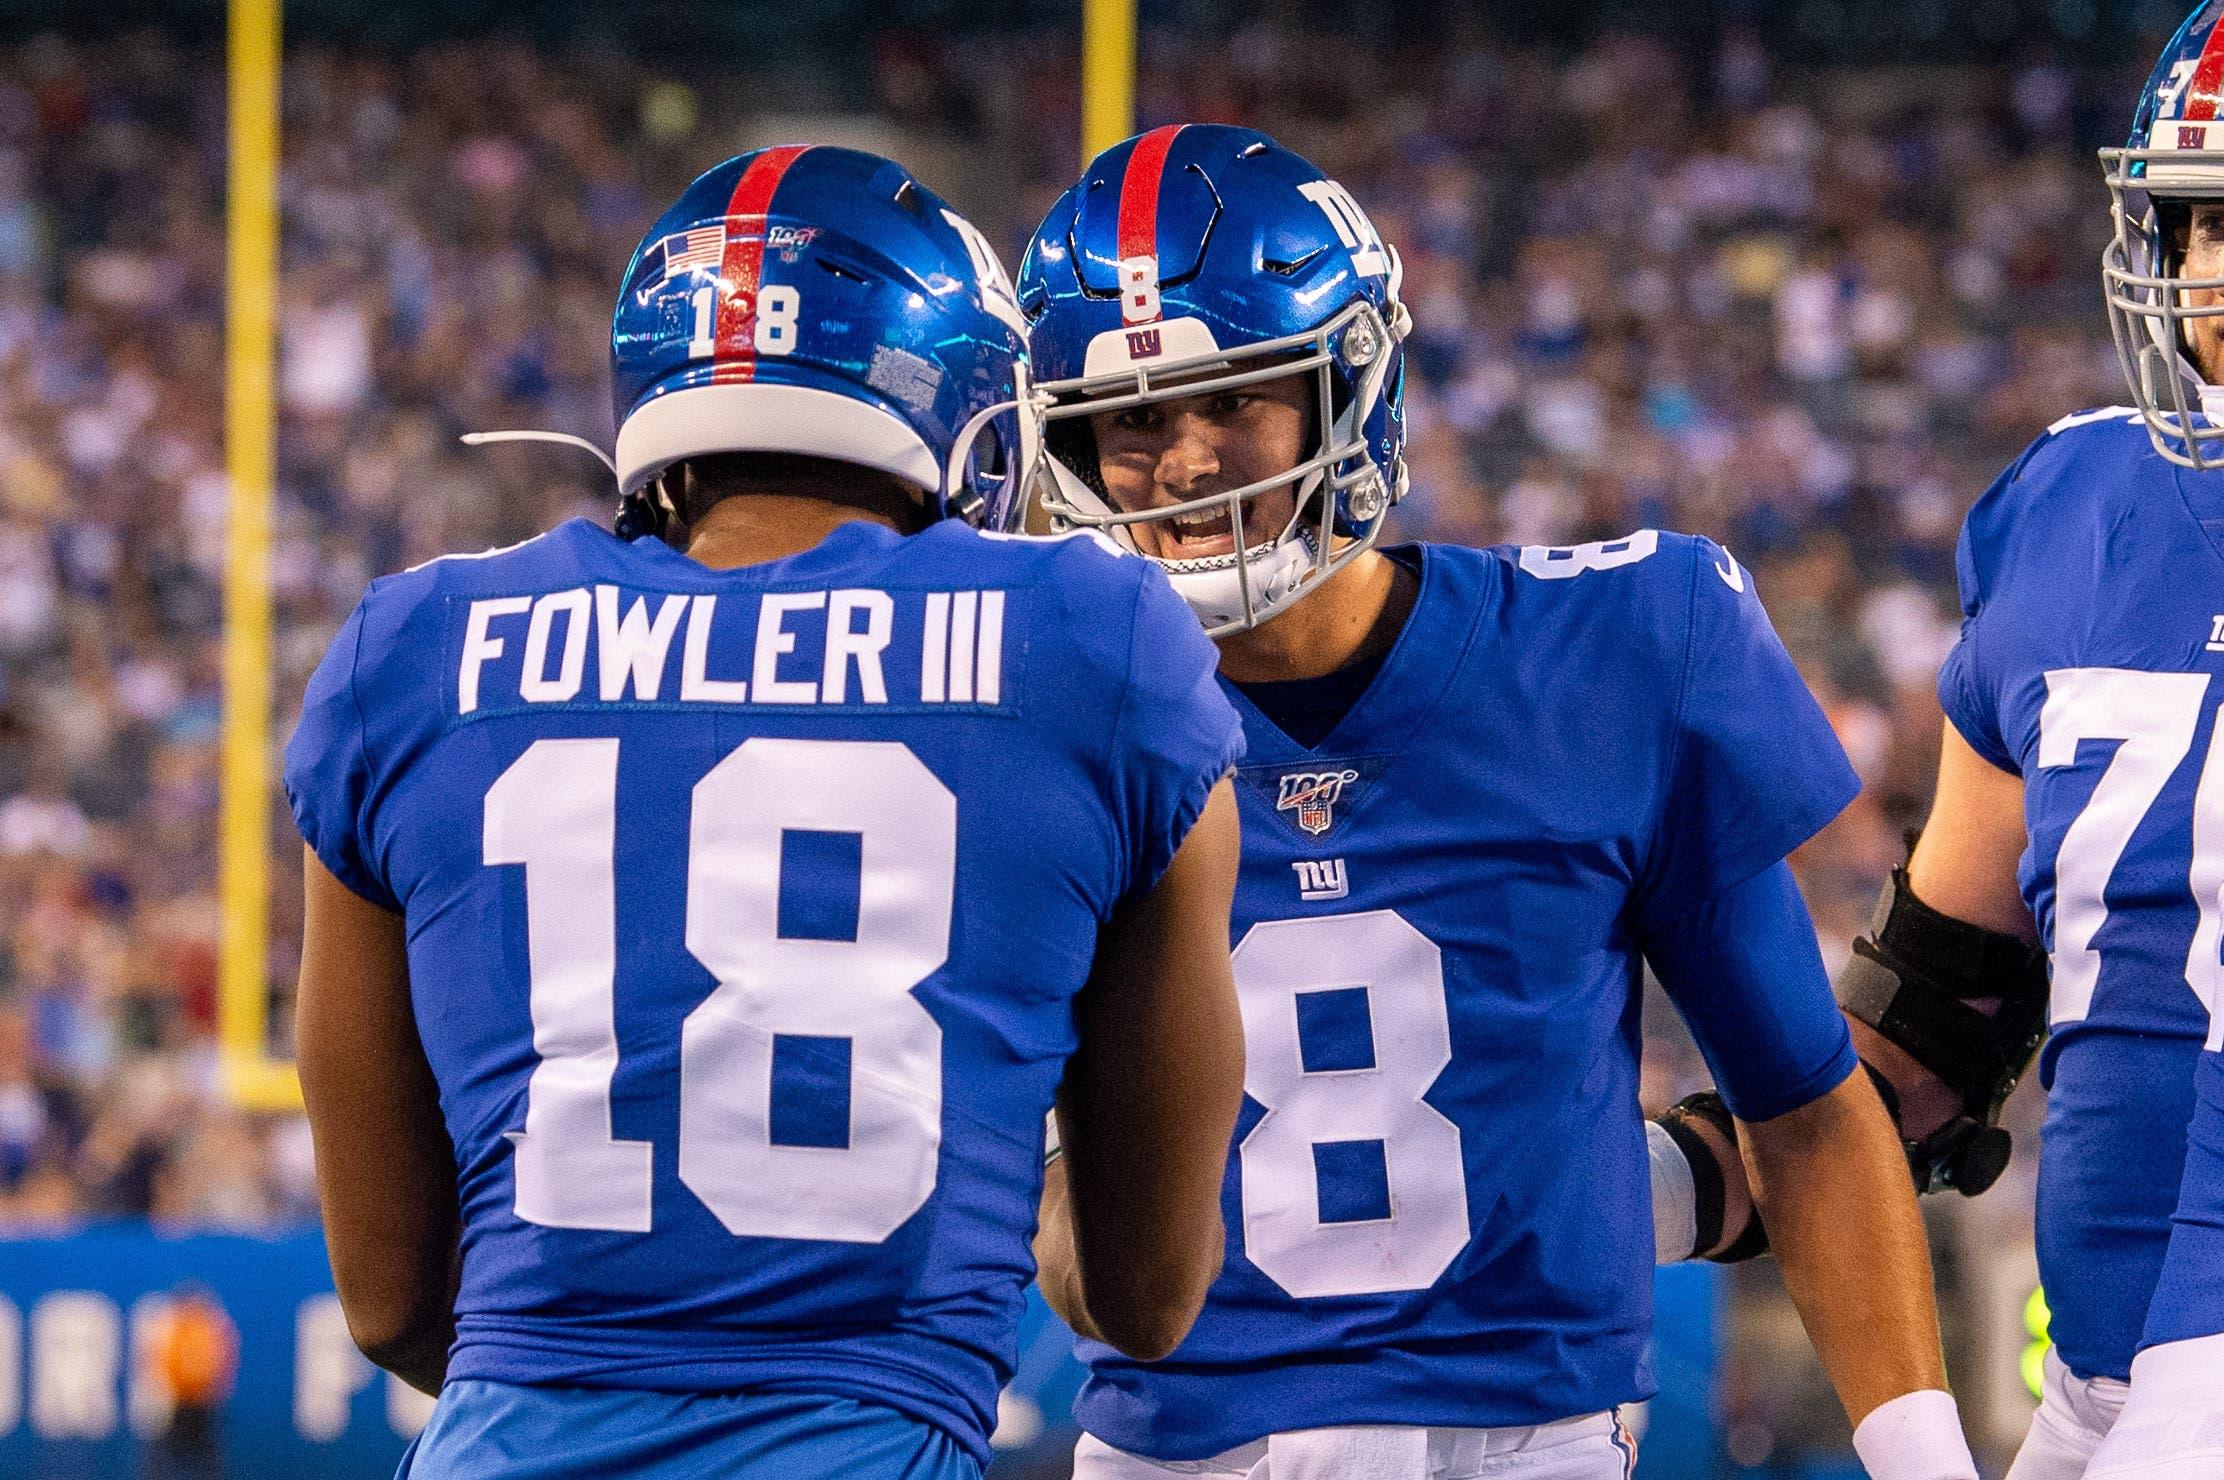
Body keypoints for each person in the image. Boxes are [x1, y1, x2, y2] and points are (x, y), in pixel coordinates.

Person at [1017, 123, 1980, 1480]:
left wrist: (1925, 1462)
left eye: (1234, 398)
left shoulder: (1606, 657)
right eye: (1134, 420)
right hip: (1175, 1447)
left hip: (1523, 1440)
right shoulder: (1045, 713)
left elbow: (1807, 1114)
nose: (1183, 462)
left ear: (1351, 384)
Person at [282, 144, 1250, 1480]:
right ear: (972, 413)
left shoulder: (412, 648)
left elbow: (391, 1302)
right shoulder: (1099, 649)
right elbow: (1146, 1295)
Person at [1666, 7, 2224, 1476]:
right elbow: (1943, 1015)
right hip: (2110, 1360)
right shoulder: (2075, 507)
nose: (2214, 268)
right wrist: (1689, 1174)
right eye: (2196, 218)